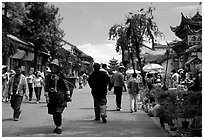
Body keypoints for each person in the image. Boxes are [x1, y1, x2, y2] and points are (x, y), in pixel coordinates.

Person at [44, 59, 72, 134]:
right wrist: (46, 96)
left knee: (58, 112)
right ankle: (57, 125)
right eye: (52, 67)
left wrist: (68, 95)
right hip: (52, 97)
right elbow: (46, 86)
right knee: (54, 112)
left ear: (57, 67)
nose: (53, 68)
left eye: (55, 67)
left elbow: (66, 85)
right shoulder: (48, 76)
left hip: (61, 97)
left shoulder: (61, 76)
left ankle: (59, 127)